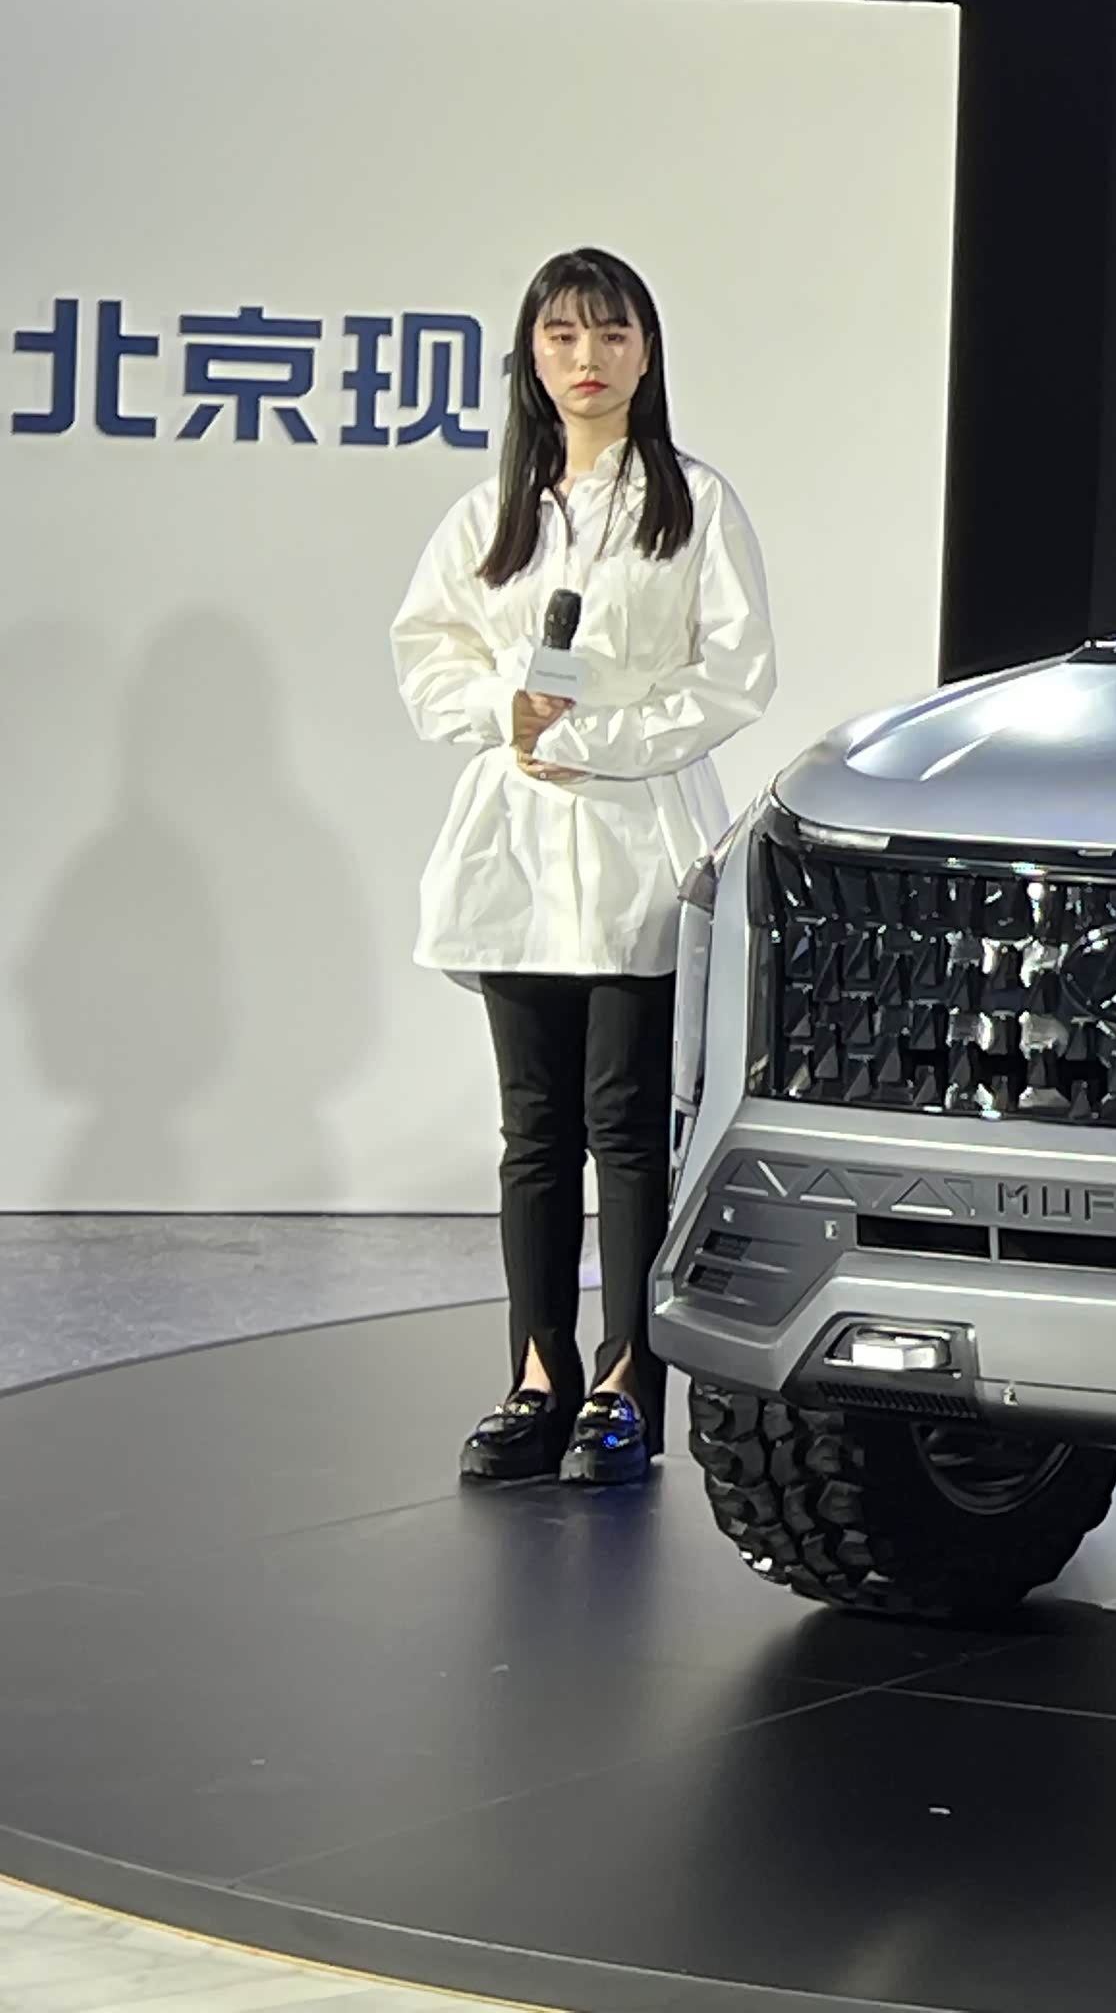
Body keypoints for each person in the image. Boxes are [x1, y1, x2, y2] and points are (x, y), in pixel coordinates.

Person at [391, 249, 774, 1490]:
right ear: (532, 358)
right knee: (534, 1129)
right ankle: (536, 1376)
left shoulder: (692, 503)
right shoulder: (492, 512)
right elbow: (430, 653)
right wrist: (499, 712)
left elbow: (735, 674)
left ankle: (626, 1385)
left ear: (647, 353)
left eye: (610, 334)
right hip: (515, 846)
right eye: (562, 336)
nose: (587, 359)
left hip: (633, 838)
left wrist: (599, 736)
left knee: (627, 1125)